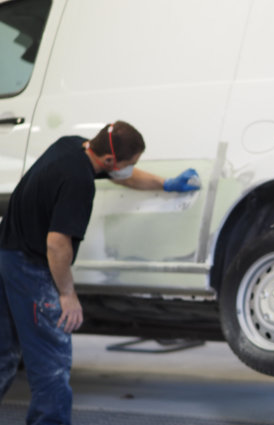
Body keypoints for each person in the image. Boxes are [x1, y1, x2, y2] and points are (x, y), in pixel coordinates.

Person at [0, 120, 200, 424]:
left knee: (2, 353)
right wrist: (68, 295)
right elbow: (56, 244)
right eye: (130, 163)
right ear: (109, 159)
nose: (131, 168)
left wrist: (165, 183)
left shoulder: (74, 146)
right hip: (30, 264)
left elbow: (124, 178)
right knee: (51, 363)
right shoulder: (78, 181)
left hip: (6, 252)